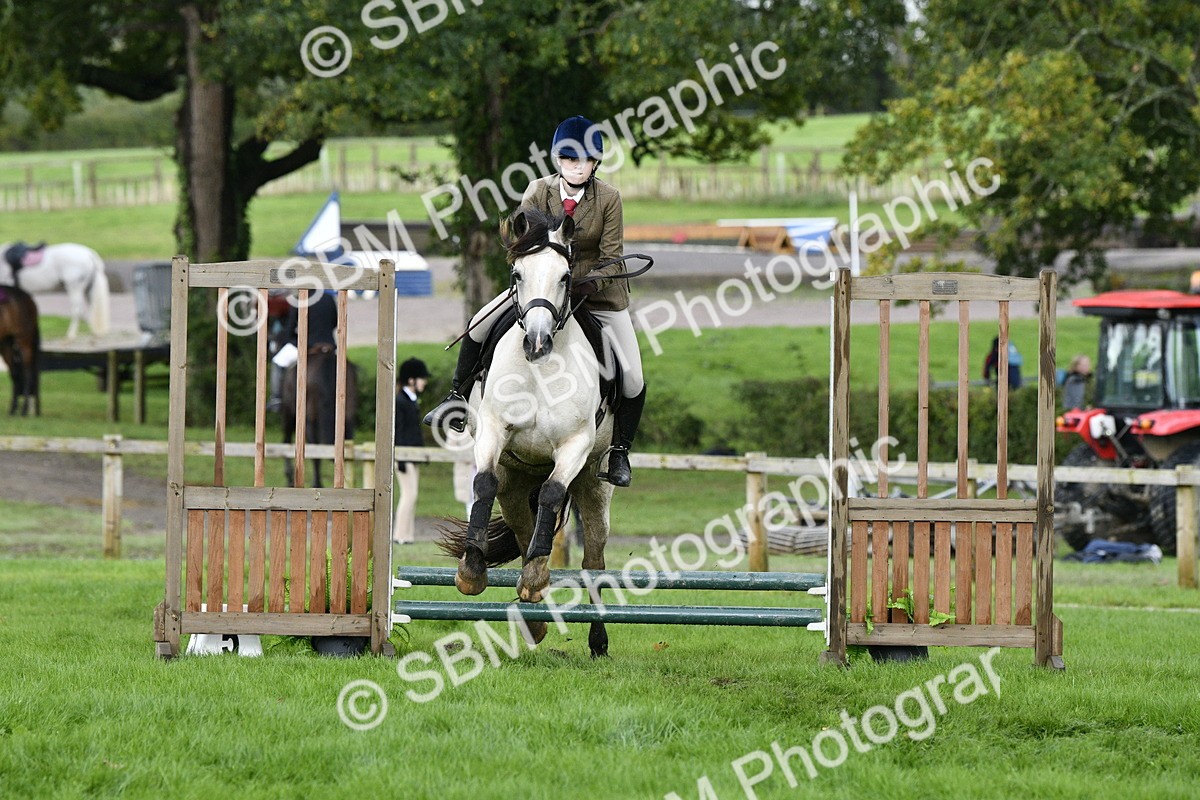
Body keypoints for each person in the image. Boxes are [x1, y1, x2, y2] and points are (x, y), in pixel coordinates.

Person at [423, 115, 646, 487]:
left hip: (597, 295)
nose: (576, 166)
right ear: (558, 160)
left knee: (634, 377)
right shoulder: (537, 190)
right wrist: (542, 277)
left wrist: (583, 282)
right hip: (541, 290)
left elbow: (612, 254)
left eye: (584, 160)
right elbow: (520, 242)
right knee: (479, 322)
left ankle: (619, 451)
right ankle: (456, 397)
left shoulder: (609, 199)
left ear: (595, 164)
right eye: (569, 159)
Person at [268, 289, 339, 411]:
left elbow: (290, 329)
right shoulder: (328, 298)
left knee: (278, 362)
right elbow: (335, 322)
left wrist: (284, 339)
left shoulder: (299, 300)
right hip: (328, 345)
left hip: (307, 345)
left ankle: (277, 398)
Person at [393, 357, 429, 545]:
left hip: (412, 455)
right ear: (411, 380)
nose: (425, 381)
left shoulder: (411, 400)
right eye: (422, 378)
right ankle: (400, 534)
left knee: (412, 494)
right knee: (409, 494)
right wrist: (399, 458)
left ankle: (408, 534)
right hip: (403, 456)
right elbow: (398, 432)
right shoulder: (400, 401)